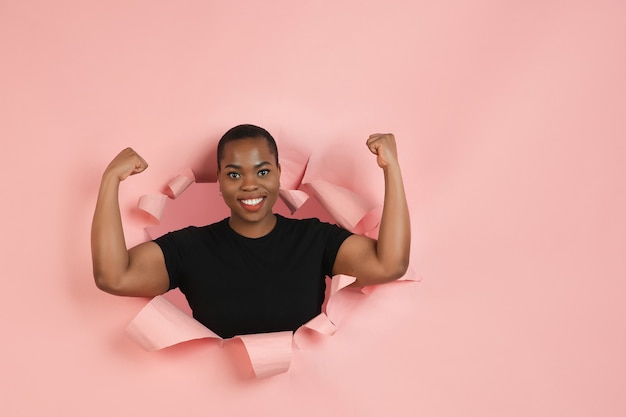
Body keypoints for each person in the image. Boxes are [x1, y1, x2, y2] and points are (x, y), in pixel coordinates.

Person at [91, 124, 410, 338]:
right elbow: (114, 276)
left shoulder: (314, 240)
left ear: (278, 175)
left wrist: (391, 169)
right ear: (219, 179)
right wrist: (110, 181)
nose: (249, 184)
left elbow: (389, 264)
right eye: (233, 174)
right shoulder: (190, 248)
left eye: (262, 171)